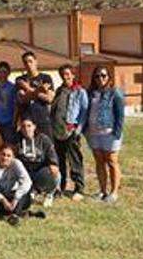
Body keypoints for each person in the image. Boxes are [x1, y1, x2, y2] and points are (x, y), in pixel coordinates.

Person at [84, 66, 125, 204]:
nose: (100, 79)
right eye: (97, 76)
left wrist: (117, 133)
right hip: (94, 133)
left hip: (109, 133)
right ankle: (102, 191)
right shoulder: (91, 93)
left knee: (112, 161)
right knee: (99, 162)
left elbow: (120, 115)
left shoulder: (115, 93)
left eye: (103, 76)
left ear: (109, 77)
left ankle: (114, 193)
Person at [51, 64, 88, 201]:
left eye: (67, 74)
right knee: (60, 160)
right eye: (62, 74)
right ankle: (60, 186)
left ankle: (79, 188)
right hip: (57, 131)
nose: (65, 77)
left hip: (71, 131)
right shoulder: (59, 90)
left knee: (74, 160)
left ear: (73, 75)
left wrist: (78, 130)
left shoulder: (79, 92)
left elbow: (84, 113)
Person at [0, 144, 40, 226]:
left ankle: (14, 215)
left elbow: (27, 181)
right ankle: (20, 213)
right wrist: (4, 201)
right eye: (3, 154)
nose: (5, 158)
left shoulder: (16, 164)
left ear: (13, 157)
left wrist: (15, 199)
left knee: (26, 195)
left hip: (15, 195)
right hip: (1, 197)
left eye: (8, 156)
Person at [16, 118, 60, 207]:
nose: (26, 129)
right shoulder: (17, 140)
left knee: (55, 173)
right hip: (25, 173)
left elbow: (52, 155)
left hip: (40, 172)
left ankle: (49, 194)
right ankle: (32, 190)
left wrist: (53, 164)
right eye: (23, 126)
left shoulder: (43, 139)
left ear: (34, 127)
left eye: (29, 126)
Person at [15, 52, 55, 140]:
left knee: (47, 146)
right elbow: (22, 99)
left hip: (43, 119)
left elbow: (49, 99)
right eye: (25, 62)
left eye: (30, 61)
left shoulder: (46, 78)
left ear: (36, 62)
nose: (28, 64)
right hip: (27, 120)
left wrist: (28, 88)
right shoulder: (20, 80)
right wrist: (40, 90)